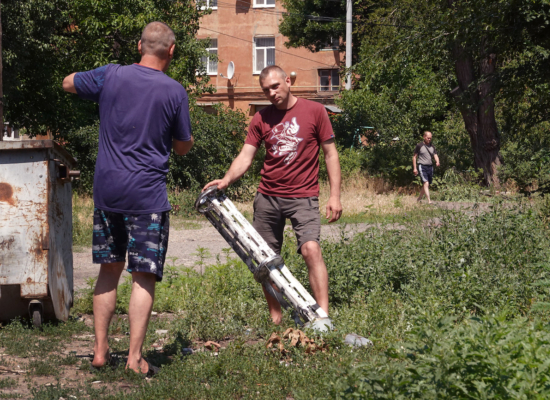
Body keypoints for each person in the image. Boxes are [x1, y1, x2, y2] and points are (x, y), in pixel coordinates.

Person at [62, 22, 194, 375]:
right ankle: (135, 358)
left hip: (107, 192)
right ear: (172, 50)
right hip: (147, 197)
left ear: (139, 46)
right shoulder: (174, 91)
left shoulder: (111, 76)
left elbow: (68, 82)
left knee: (108, 270)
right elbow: (182, 148)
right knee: (142, 275)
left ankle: (101, 350)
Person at [203, 65, 342, 324]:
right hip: (267, 197)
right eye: (266, 89)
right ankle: (275, 319)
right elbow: (246, 155)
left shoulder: (315, 111)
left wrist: (335, 195)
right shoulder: (261, 118)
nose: (272, 93)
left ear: (288, 81)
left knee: (311, 250)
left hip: (304, 196)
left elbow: (331, 154)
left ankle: (324, 318)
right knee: (265, 260)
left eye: (276, 86)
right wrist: (226, 179)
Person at [413, 131, 440, 204]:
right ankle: (429, 201)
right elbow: (414, 157)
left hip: (430, 166)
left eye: (430, 138)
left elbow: (435, 155)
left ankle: (419, 199)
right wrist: (415, 168)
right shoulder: (419, 146)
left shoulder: (432, 146)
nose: (429, 139)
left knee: (426, 184)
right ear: (424, 137)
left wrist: (437, 161)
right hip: (422, 166)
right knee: (426, 183)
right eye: (428, 138)